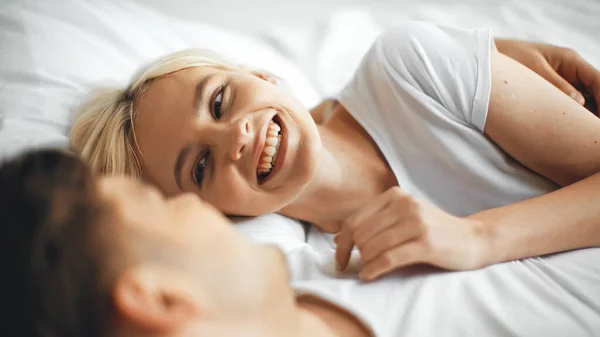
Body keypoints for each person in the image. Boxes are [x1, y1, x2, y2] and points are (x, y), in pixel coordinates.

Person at [69, 22, 600, 280]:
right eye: (201, 166)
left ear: (257, 74)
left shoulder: (409, 66)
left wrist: (477, 237)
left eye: (219, 100)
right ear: (207, 214)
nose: (236, 137)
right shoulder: (311, 272)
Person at [4, 149, 600, 337]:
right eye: (161, 201)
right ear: (158, 297)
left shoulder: (344, 253)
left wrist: (483, 236)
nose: (195, 205)